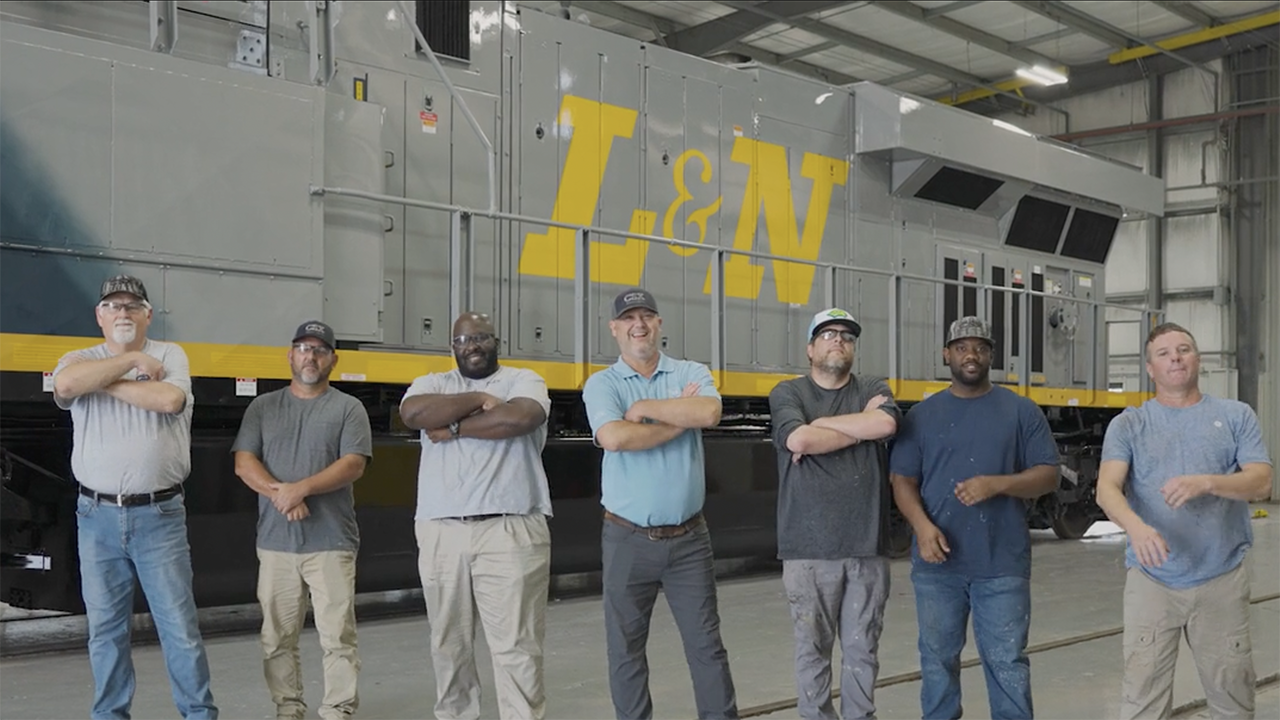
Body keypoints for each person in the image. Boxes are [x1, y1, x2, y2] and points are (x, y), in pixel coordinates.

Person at [51, 275, 218, 720]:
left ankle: (199, 714)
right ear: (99, 316)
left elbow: (167, 400)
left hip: (158, 514)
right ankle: (110, 715)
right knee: (104, 631)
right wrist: (132, 364)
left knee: (179, 629)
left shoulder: (171, 355)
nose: (122, 313)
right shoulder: (79, 358)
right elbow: (65, 386)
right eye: (113, 306)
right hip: (96, 516)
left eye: (132, 306)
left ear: (148, 315)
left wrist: (103, 382)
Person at [1096, 322, 1273, 720]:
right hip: (1152, 581)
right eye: (1164, 353)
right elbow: (1107, 488)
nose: (1175, 358)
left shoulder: (1234, 415)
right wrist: (1136, 529)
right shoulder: (1129, 424)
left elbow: (1261, 481)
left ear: (1198, 360)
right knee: (1142, 701)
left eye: (1184, 349)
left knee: (1233, 699)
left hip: (1220, 578)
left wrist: (1208, 482)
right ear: (1149, 368)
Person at [888, 316, 1060, 720]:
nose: (972, 354)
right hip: (937, 565)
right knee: (937, 663)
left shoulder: (1020, 411)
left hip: (1001, 564)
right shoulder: (922, 416)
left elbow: (1048, 475)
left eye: (980, 347)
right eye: (962, 347)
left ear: (991, 357)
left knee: (1007, 663)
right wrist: (923, 528)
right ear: (947, 355)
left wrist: (996, 485)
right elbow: (902, 480)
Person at [582, 287, 738, 720]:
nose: (639, 325)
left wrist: (646, 409)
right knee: (626, 650)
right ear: (615, 328)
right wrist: (677, 420)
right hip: (626, 539)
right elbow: (614, 437)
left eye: (647, 315)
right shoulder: (602, 383)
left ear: (659, 324)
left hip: (690, 540)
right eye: (629, 318)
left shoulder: (690, 369)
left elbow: (707, 413)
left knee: (707, 646)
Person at [399, 311, 554, 720]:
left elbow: (519, 417)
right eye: (464, 340)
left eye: (482, 337)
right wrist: (475, 401)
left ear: (497, 341)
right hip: (442, 532)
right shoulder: (432, 384)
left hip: (511, 528)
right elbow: (414, 415)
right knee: (448, 645)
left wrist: (453, 429)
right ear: (452, 347)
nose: (473, 346)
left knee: (517, 648)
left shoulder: (524, 380)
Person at [231, 320, 373, 720]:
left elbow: (353, 465)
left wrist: (302, 488)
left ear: (333, 359)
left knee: (338, 636)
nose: (311, 357)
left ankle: (337, 710)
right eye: (303, 348)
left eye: (320, 350)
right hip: (276, 544)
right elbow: (244, 463)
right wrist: (284, 494)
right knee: (276, 636)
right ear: (290, 355)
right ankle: (288, 708)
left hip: (331, 542)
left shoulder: (348, 408)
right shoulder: (263, 407)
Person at [767, 308, 901, 720]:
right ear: (810, 348)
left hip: (867, 548)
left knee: (863, 651)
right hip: (808, 551)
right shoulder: (787, 392)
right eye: (827, 334)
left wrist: (824, 424)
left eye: (846, 335)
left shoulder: (873, 386)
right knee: (812, 653)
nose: (838, 341)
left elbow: (885, 426)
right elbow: (799, 437)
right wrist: (854, 425)